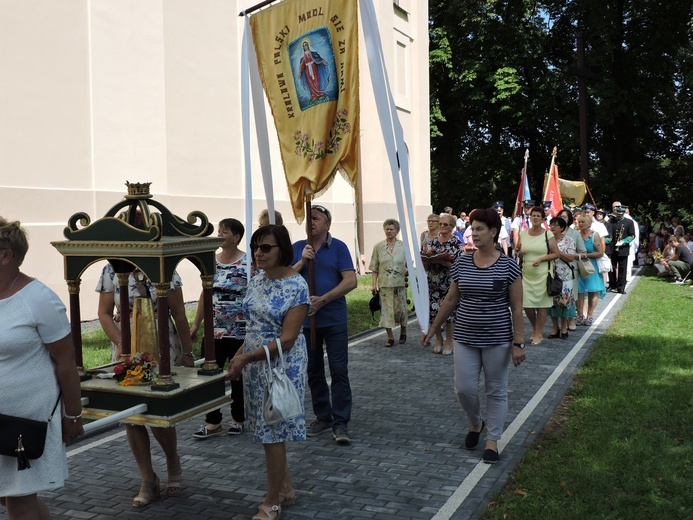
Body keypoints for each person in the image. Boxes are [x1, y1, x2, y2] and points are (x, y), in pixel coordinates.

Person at [422, 208, 525, 465]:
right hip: (465, 336)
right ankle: (475, 422)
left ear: (493, 232)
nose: (474, 233)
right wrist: (433, 328)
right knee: (464, 388)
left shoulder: (509, 266)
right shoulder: (463, 262)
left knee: (496, 390)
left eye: (480, 229)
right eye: (473, 228)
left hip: (498, 339)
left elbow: (517, 307)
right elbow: (451, 298)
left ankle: (492, 440)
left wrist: (518, 343)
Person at [0, 218, 84, 519]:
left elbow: (65, 361)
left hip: (26, 420)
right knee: (8, 497)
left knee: (19, 501)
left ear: (5, 255)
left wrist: (73, 415)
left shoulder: (38, 298)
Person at [226, 225, 310, 520]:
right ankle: (285, 487)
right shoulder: (257, 281)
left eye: (266, 248)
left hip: (282, 367)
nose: (258, 253)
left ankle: (273, 501)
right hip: (254, 364)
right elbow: (251, 328)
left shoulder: (297, 286)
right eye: (255, 247)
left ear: (282, 249)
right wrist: (238, 358)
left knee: (274, 431)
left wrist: (246, 357)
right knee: (266, 431)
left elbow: (287, 339)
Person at [96, 262, 194, 507]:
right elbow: (104, 313)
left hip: (161, 342)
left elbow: (179, 313)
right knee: (132, 416)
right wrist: (122, 343)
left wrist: (188, 352)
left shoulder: (162, 266)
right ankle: (147, 479)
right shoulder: (110, 270)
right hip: (126, 347)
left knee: (159, 414)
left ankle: (173, 461)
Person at [292, 205, 357, 445]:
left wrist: (323, 299)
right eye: (309, 218)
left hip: (333, 320)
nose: (311, 222)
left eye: (316, 218)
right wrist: (301, 262)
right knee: (313, 371)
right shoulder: (298, 248)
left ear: (327, 224)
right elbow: (284, 278)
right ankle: (323, 416)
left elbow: (350, 281)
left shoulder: (338, 247)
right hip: (306, 321)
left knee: (339, 371)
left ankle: (341, 423)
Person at [190, 218, 256, 439]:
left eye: (224, 232)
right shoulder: (211, 262)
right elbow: (204, 296)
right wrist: (196, 324)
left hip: (240, 332)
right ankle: (212, 422)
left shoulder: (249, 264)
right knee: (210, 377)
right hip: (214, 332)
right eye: (218, 231)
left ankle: (238, 419)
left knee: (237, 376)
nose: (219, 235)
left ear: (236, 237)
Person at [421, 213, 464, 355]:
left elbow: (460, 266)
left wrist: (445, 263)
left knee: (450, 314)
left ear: (452, 227)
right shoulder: (432, 242)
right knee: (435, 312)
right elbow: (425, 264)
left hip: (450, 282)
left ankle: (449, 341)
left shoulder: (456, 243)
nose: (442, 227)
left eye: (445, 224)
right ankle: (438, 339)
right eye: (440, 224)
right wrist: (427, 261)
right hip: (434, 282)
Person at [516, 206, 559, 345]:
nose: (535, 218)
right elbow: (519, 249)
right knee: (527, 305)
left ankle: (539, 332)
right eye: (533, 215)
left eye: (538, 216)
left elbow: (556, 253)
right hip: (526, 274)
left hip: (543, 274)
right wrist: (519, 252)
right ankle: (535, 327)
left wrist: (541, 259)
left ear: (542, 219)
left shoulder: (548, 234)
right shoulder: (523, 234)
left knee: (541, 305)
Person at [369, 219, 408, 347]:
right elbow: (374, 268)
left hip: (400, 284)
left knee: (401, 310)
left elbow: (408, 265)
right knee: (386, 312)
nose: (389, 231)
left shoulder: (403, 246)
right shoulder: (378, 247)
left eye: (391, 229)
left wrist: (407, 272)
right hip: (385, 285)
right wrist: (373, 284)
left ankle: (403, 330)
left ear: (397, 231)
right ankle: (390, 337)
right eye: (387, 229)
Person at [547, 217, 577, 338]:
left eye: (556, 225)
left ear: (562, 227)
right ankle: (555, 328)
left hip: (565, 275)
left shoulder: (569, 241)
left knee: (564, 301)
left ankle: (564, 327)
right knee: (552, 301)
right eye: (551, 225)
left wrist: (558, 253)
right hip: (551, 274)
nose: (553, 227)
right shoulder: (547, 240)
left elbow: (571, 257)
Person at [556, 209, 586, 331]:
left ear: (569, 219)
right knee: (557, 294)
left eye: (565, 217)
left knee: (570, 295)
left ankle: (571, 318)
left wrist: (573, 256)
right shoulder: (553, 233)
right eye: (560, 216)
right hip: (556, 268)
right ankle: (560, 320)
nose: (563, 218)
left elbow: (583, 252)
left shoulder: (575, 233)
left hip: (571, 268)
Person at [576, 214, 606, 326]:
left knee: (593, 291)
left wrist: (586, 255)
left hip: (591, 266)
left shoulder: (595, 235)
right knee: (579, 291)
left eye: (583, 222)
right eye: (579, 222)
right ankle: (579, 315)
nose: (580, 224)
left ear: (589, 223)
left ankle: (590, 315)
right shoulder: (576, 235)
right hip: (578, 266)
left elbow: (600, 252)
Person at [608, 207, 635, 293]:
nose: (619, 215)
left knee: (622, 269)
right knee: (612, 267)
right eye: (618, 213)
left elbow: (632, 235)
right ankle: (612, 284)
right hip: (612, 248)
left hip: (623, 248)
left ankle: (621, 287)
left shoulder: (629, 222)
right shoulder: (611, 221)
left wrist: (623, 242)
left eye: (621, 214)